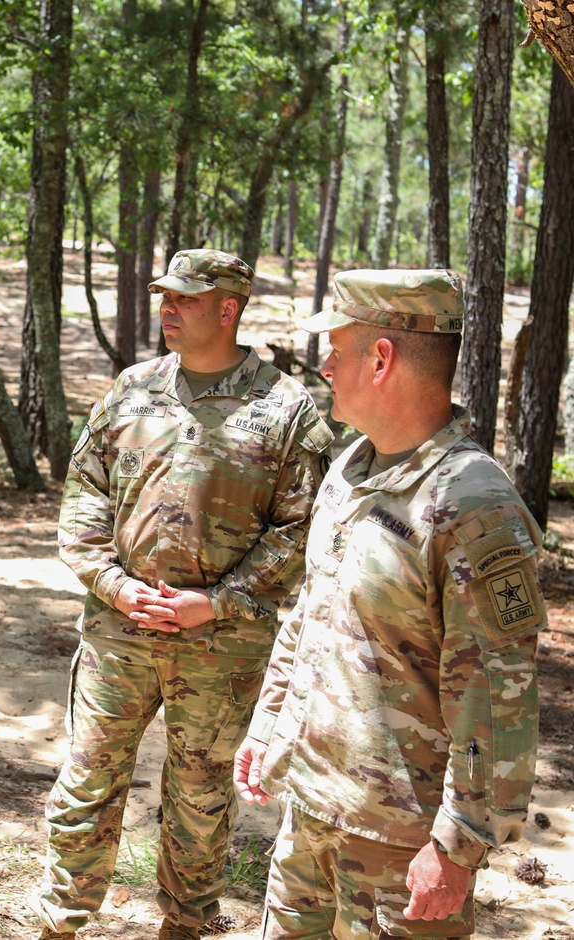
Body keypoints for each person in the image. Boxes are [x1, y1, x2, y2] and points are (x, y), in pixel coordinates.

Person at [233, 268, 546, 940]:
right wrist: (269, 727)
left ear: (381, 359)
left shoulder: (471, 503)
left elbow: (497, 695)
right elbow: (310, 616)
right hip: (312, 810)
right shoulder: (352, 469)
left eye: (336, 351)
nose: (323, 366)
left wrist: (458, 847)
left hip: (401, 847)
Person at [32, 249, 333, 940]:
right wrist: (114, 585)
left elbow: (301, 531)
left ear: (228, 310)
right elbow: (84, 499)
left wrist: (220, 601)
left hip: (221, 645)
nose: (168, 308)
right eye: (165, 296)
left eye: (186, 300)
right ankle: (61, 924)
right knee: (86, 783)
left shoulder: (284, 407)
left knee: (199, 796)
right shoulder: (130, 391)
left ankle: (187, 926)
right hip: (119, 631)